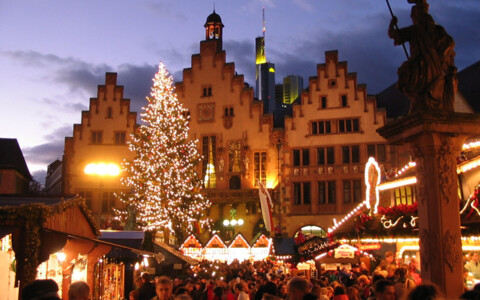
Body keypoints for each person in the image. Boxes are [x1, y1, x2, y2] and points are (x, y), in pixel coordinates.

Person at [388, 0, 457, 113]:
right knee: (416, 84)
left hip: (421, 66)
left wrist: (392, 23)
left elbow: (394, 35)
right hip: (435, 67)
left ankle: (420, 100)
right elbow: (450, 43)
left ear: (417, 16)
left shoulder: (415, 30)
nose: (413, 19)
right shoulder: (438, 30)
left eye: (413, 17)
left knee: (404, 78)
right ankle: (421, 100)